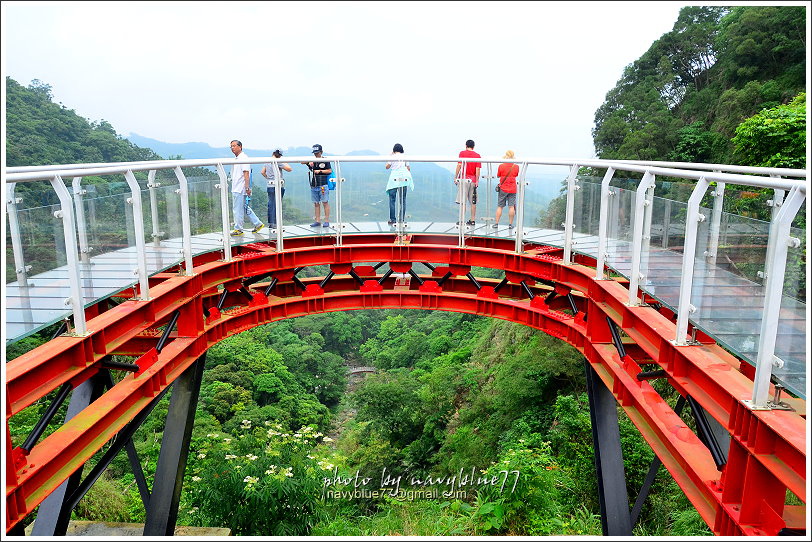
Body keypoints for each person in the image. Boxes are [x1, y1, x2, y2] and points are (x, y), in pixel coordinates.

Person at [229, 140, 263, 235]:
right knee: (244, 207)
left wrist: (247, 188)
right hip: (237, 187)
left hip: (239, 188)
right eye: (231, 146)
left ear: (240, 146)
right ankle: (258, 223)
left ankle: (238, 229)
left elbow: (246, 173)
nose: (232, 148)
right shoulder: (237, 158)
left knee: (237, 209)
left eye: (234, 146)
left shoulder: (243, 158)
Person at [301, 143, 332, 227]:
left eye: (317, 153)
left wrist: (320, 171)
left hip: (323, 184)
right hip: (314, 184)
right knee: (316, 203)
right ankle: (317, 220)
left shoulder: (325, 160)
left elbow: (329, 171)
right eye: (315, 153)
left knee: (325, 202)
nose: (316, 154)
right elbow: (301, 162)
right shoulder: (313, 161)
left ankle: (326, 220)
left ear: (321, 152)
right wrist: (309, 161)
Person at [261, 149, 292, 229]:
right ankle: (276, 223)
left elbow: (262, 172)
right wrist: (283, 161)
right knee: (277, 205)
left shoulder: (268, 161)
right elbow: (289, 169)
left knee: (271, 204)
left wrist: (268, 178)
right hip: (277, 186)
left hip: (269, 185)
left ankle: (271, 223)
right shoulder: (278, 161)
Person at [384, 143, 414, 226]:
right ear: (402, 150)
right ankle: (401, 220)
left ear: (394, 150)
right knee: (403, 200)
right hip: (403, 179)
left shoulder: (392, 157)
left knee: (392, 200)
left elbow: (387, 167)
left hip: (394, 179)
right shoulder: (405, 156)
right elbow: (408, 168)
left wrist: (390, 156)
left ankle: (393, 220)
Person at [454, 139, 481, 225]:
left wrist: (456, 177)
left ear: (466, 146)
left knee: (463, 201)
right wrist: (477, 181)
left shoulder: (462, 153)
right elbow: (477, 169)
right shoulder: (477, 156)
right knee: (473, 201)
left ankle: (462, 220)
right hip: (472, 180)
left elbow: (459, 165)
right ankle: (472, 220)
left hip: (463, 179)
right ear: (473, 146)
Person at [494, 150, 519, 231]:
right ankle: (510, 224)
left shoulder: (501, 166)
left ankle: (496, 223)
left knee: (500, 206)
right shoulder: (516, 166)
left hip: (503, 188)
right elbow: (516, 175)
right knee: (511, 207)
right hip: (512, 189)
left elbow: (498, 175)